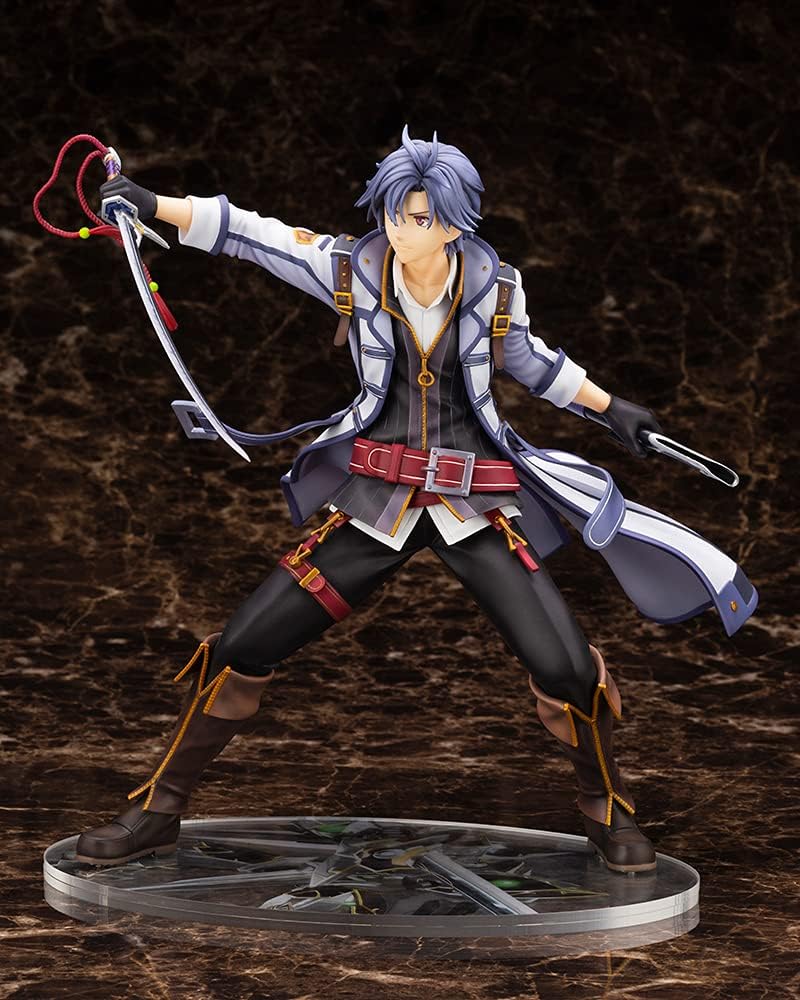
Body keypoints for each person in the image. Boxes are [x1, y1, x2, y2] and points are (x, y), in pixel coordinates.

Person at [75, 126, 757, 873]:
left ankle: (608, 808)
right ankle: (157, 809)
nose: (402, 230)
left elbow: (535, 366)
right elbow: (249, 234)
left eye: (420, 218)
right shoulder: (353, 268)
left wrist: (612, 408)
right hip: (377, 504)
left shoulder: (496, 289)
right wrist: (150, 204)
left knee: (566, 669)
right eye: (393, 214)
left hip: (474, 509)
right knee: (241, 647)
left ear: (454, 224)